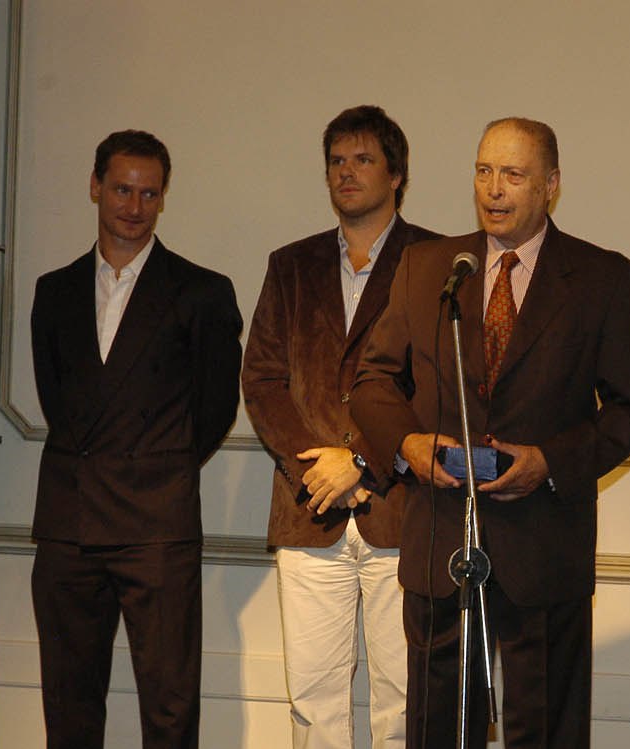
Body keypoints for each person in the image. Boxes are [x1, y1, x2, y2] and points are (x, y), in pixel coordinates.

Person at [352, 117, 630, 748]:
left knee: (543, 731)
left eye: (513, 175)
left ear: (551, 185)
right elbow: (372, 380)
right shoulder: (430, 267)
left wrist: (549, 461)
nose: (493, 189)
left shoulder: (599, 277)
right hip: (441, 542)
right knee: (437, 730)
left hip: (543, 544)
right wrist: (408, 445)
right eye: (483, 171)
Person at [29, 130, 243, 749]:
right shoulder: (54, 290)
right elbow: (57, 400)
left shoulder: (202, 291)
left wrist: (156, 466)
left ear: (163, 198)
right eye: (122, 189)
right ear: (95, 187)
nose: (134, 206)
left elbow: (213, 410)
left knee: (170, 710)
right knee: (68, 708)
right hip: (69, 522)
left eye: (150, 194)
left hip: (157, 524)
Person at [242, 105, 440, 749]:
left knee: (404, 701)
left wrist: (359, 462)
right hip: (309, 508)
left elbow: (440, 387)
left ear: (397, 174)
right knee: (312, 702)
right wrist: (319, 468)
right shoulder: (291, 265)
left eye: (362, 159)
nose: (346, 172)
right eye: (335, 161)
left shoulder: (435, 261)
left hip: (403, 507)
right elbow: (262, 380)